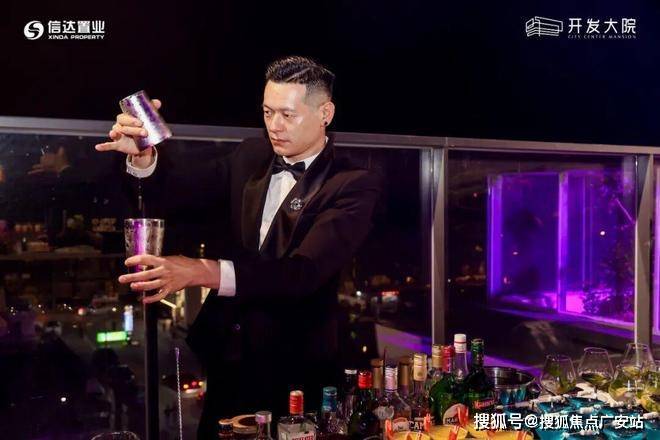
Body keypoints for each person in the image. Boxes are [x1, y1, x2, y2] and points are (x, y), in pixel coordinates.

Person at [94, 56, 382, 438]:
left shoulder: (352, 183)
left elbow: (303, 273)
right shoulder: (250, 155)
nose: (274, 126)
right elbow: (179, 192)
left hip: (296, 370)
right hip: (229, 358)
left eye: (287, 115)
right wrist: (144, 155)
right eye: (267, 112)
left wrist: (202, 271)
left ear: (324, 113)